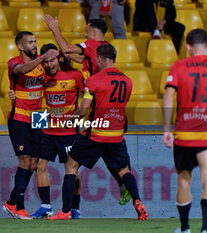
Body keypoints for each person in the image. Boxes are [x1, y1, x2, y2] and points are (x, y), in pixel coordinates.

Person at [47, 44, 148, 221]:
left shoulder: (94, 80)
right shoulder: (128, 81)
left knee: (71, 166)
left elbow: (84, 109)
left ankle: (65, 211)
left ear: (99, 59)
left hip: (96, 133)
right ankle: (138, 201)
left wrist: (71, 119)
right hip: (116, 135)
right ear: (114, 58)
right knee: (124, 171)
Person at [44, 15, 132, 206]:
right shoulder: (100, 50)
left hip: (93, 103)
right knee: (109, 149)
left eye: (86, 31)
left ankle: (66, 208)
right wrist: (64, 56)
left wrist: (55, 28)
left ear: (93, 33)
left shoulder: (92, 44)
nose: (84, 34)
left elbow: (67, 49)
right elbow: (73, 55)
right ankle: (125, 183)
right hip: (105, 105)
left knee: (72, 163)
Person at [162, 29, 207, 233]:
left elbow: (168, 97)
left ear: (187, 47)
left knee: (184, 179)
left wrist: (167, 129)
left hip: (184, 134)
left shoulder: (178, 66)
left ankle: (185, 229)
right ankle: (205, 230)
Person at [2, 31, 58, 220]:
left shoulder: (43, 65)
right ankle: (18, 207)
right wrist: (42, 56)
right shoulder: (13, 62)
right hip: (20, 117)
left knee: (34, 164)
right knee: (25, 161)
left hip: (39, 116)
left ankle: (10, 202)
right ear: (20, 46)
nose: (34, 44)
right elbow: (21, 70)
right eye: (30, 42)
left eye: (35, 41)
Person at [29, 43, 85, 219]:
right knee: (40, 166)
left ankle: (74, 208)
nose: (50, 64)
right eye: (46, 61)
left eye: (53, 60)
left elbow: (89, 98)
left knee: (72, 170)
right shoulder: (42, 78)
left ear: (58, 58)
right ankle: (46, 205)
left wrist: (79, 118)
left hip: (69, 132)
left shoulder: (74, 75)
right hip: (48, 132)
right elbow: (37, 101)